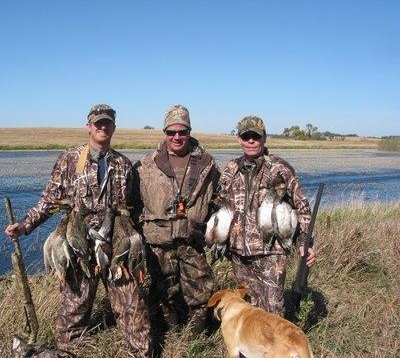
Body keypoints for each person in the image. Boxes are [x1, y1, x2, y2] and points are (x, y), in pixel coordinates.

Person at [4, 104, 151, 357]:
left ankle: (141, 352)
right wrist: (26, 225)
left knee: (132, 307)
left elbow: (134, 207)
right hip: (77, 244)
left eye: (107, 123)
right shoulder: (70, 159)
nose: (102, 127)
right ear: (89, 127)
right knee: (74, 309)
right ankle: (69, 352)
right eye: (98, 123)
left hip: (114, 244)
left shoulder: (124, 164)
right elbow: (50, 200)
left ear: (114, 127)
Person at [131, 105, 220, 335]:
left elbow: (219, 199)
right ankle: (170, 331)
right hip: (158, 240)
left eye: (182, 131)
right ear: (165, 133)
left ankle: (197, 337)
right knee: (162, 290)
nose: (177, 137)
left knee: (200, 289)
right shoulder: (145, 165)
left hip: (192, 238)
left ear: (189, 131)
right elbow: (131, 202)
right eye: (171, 132)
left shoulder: (207, 163)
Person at [217, 115, 316, 316]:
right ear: (239, 139)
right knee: (249, 313)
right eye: (246, 136)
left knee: (273, 312)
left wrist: (305, 243)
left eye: (256, 136)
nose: (251, 141)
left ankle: (279, 347)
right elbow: (220, 204)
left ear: (264, 138)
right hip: (239, 254)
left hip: (271, 252)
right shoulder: (230, 169)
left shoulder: (280, 168)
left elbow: (302, 208)